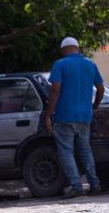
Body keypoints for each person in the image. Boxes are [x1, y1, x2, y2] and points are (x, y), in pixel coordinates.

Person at [44, 37, 104, 199]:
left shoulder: (60, 64)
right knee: (85, 150)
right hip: (85, 116)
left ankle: (77, 186)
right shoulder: (90, 64)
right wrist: (94, 106)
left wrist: (48, 114)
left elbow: (55, 89)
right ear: (77, 48)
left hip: (64, 116)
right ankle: (95, 183)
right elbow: (100, 88)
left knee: (66, 152)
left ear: (64, 50)